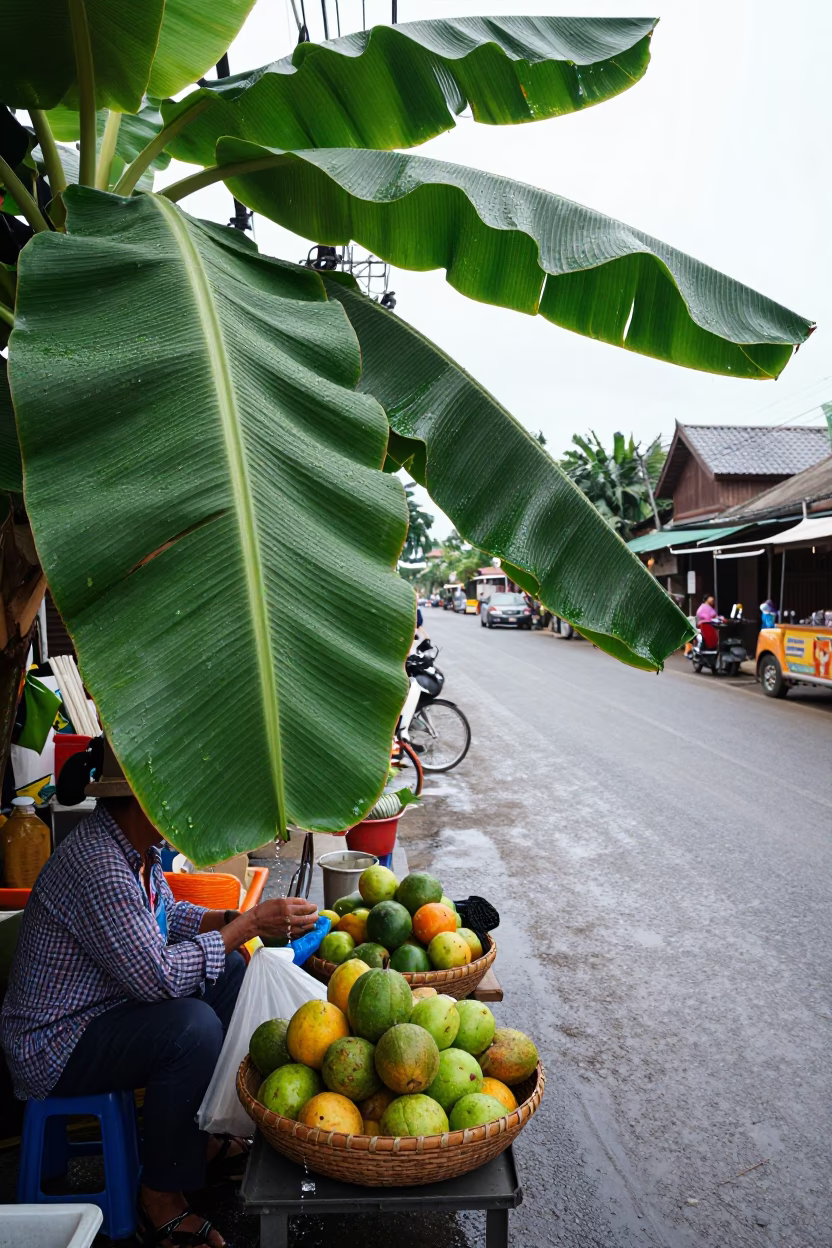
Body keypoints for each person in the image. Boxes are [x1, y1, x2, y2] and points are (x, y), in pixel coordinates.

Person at [0, 738, 317, 1248]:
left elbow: (167, 921)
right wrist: (251, 921)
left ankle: (204, 1137)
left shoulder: (136, 852)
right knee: (190, 1029)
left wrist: (234, 923)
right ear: (141, 800)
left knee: (231, 971)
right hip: (53, 1042)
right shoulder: (99, 864)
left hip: (100, 1011)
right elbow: (160, 978)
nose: (184, 811)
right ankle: (160, 1197)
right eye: (172, 798)